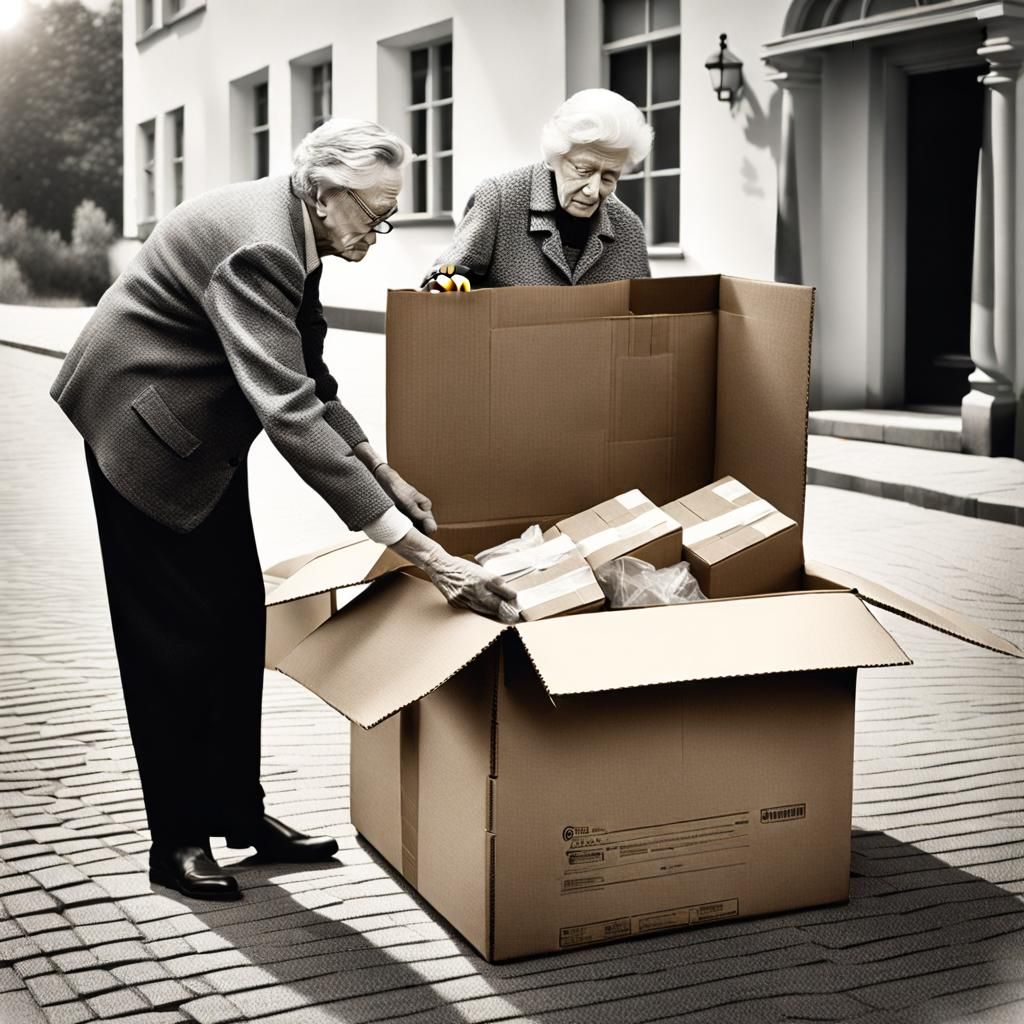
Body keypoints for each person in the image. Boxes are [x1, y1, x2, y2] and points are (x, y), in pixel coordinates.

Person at [50, 118, 513, 902]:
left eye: (391, 211)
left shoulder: (302, 234)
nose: (383, 227)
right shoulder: (263, 246)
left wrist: (382, 470)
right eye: (375, 211)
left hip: (200, 433)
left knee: (235, 620)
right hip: (145, 432)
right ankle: (177, 841)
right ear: (324, 190)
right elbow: (290, 414)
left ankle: (241, 815)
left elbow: (312, 374)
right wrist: (426, 557)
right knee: (172, 645)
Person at [422, 89, 653, 291]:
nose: (593, 190)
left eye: (608, 177)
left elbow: (642, 318)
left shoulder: (628, 229)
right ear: (556, 156)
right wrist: (447, 282)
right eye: (583, 170)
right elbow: (444, 276)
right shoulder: (500, 200)